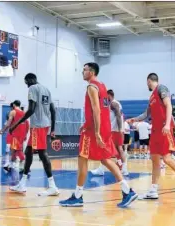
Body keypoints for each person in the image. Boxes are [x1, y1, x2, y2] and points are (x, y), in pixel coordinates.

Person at [59, 62, 138, 208]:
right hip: (104, 127)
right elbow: (101, 109)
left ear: (92, 72)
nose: (82, 72)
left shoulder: (91, 86)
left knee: (82, 158)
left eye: (85, 70)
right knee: (105, 159)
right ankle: (127, 191)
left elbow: (96, 109)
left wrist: (95, 131)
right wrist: (87, 123)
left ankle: (78, 195)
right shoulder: (102, 86)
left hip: (95, 129)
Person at [127, 73, 175, 200]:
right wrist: (134, 119)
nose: (146, 84)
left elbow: (169, 105)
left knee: (167, 159)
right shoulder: (151, 97)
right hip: (155, 132)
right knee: (155, 161)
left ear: (149, 81)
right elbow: (146, 114)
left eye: (146, 82)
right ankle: (153, 190)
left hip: (164, 129)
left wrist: (168, 125)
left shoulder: (161, 89)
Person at [8, 73, 59, 196]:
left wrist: (16, 124)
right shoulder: (46, 89)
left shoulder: (32, 88)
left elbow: (31, 109)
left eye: (26, 83)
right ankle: (22, 184)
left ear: (30, 80)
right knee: (28, 152)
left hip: (38, 125)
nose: (27, 86)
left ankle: (52, 186)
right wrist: (52, 128)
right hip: (44, 125)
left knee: (42, 154)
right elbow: (53, 110)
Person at [91, 90, 130, 176]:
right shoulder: (116, 104)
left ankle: (101, 169)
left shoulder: (113, 103)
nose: (105, 97)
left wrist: (120, 129)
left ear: (109, 95)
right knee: (119, 149)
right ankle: (124, 167)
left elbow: (119, 116)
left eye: (106, 95)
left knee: (106, 148)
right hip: (117, 130)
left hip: (114, 130)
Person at [0, 100, 28, 177]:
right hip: (22, 134)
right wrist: (25, 134)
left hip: (15, 134)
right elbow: (27, 124)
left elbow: (8, 124)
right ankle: (11, 165)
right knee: (14, 150)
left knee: (17, 150)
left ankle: (24, 166)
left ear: (14, 105)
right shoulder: (24, 113)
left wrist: (2, 130)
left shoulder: (13, 112)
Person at [2, 103, 15, 171]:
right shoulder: (9, 114)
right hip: (10, 135)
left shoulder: (18, 114)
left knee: (14, 150)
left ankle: (12, 164)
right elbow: (7, 124)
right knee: (7, 149)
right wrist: (3, 130)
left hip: (16, 136)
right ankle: (7, 163)